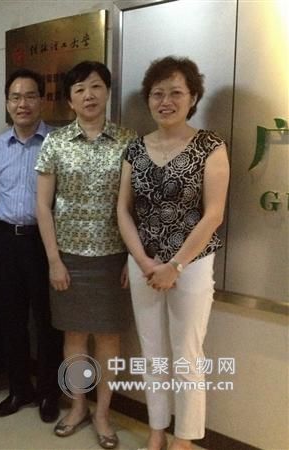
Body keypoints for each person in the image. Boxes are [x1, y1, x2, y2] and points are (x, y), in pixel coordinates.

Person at [117, 57, 229, 450]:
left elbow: (214, 214)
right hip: (143, 264)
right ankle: (156, 430)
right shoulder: (135, 148)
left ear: (193, 97)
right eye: (157, 94)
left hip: (191, 264)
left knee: (187, 354)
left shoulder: (210, 145)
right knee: (151, 353)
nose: (165, 101)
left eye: (176, 93)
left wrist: (176, 265)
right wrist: (144, 262)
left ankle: (184, 439)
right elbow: (123, 210)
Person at [35, 61, 137, 449]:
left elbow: (136, 206)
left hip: (113, 257)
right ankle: (78, 406)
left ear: (107, 92)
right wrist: (54, 260)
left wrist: (132, 257)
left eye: (95, 86)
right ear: (70, 100)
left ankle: (103, 413)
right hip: (69, 258)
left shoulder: (129, 141)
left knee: (109, 339)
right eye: (79, 89)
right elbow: (43, 206)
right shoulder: (55, 142)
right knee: (74, 337)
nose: (88, 95)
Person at [0, 68, 62, 423]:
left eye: (30, 96)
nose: (23, 104)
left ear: (41, 100)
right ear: (7, 103)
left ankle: (49, 392)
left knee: (48, 322)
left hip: (43, 243)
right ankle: (19, 389)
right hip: (5, 240)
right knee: (11, 319)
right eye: (15, 97)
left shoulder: (58, 144)